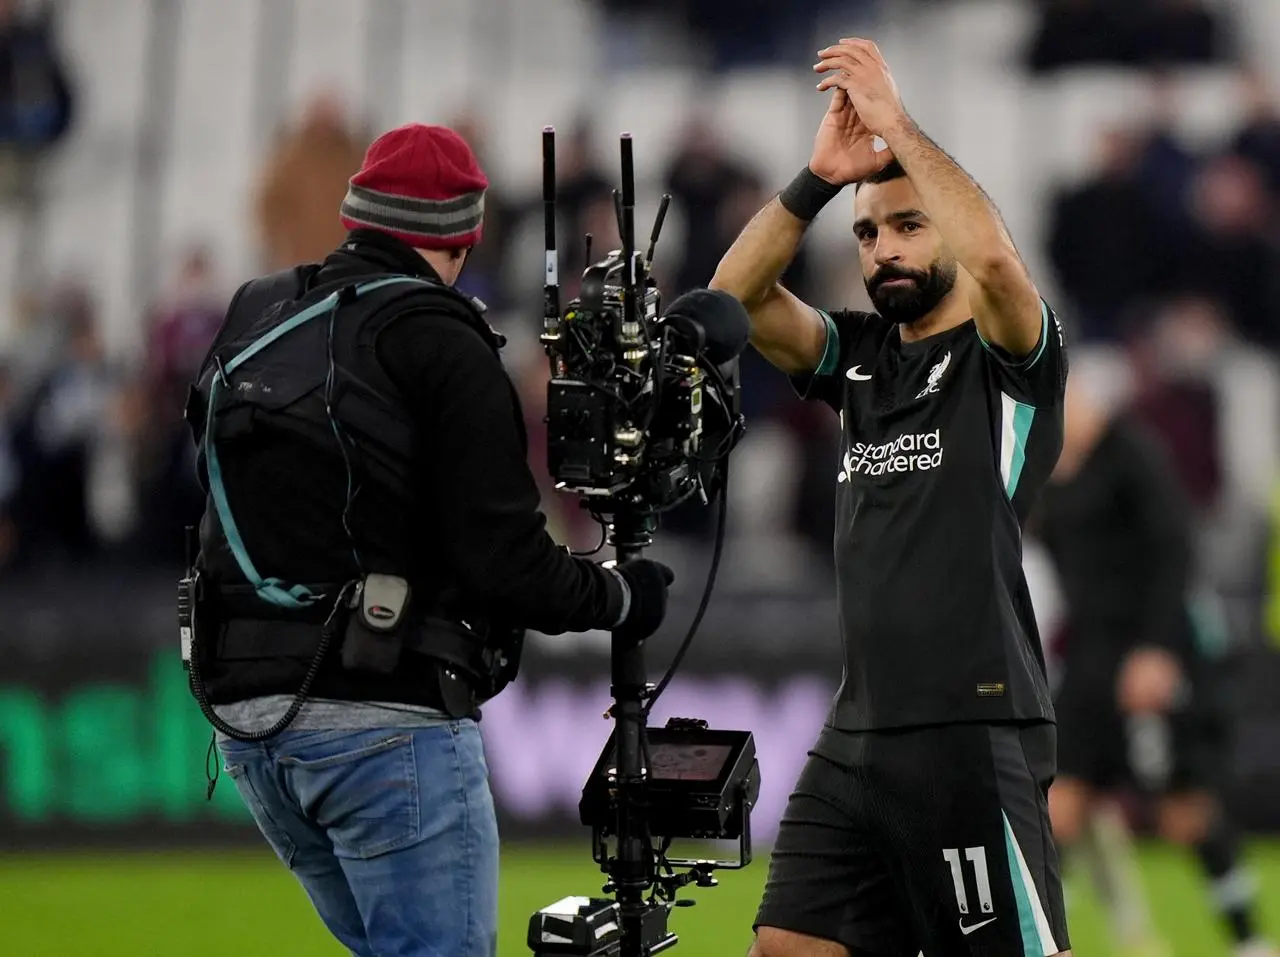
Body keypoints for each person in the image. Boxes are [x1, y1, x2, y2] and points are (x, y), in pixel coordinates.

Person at [184, 123, 675, 957]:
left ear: (356, 215)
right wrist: (625, 594)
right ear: (464, 235)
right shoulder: (442, 338)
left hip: (247, 725)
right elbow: (508, 563)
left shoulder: (260, 309)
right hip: (382, 715)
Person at [711, 38, 1072, 956]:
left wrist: (899, 130)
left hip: (971, 724)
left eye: (908, 224)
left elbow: (995, 268)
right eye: (869, 234)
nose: (883, 250)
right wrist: (820, 179)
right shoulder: (862, 357)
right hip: (859, 726)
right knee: (785, 944)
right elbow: (733, 300)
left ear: (949, 224)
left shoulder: (1011, 362)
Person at [1035, 378, 1278, 957]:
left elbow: (1175, 551)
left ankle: (1250, 942)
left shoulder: (1133, 454)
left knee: (1182, 813)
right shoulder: (1047, 468)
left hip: (1151, 652)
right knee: (1057, 804)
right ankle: (1045, 943)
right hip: (1090, 659)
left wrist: (1157, 650)